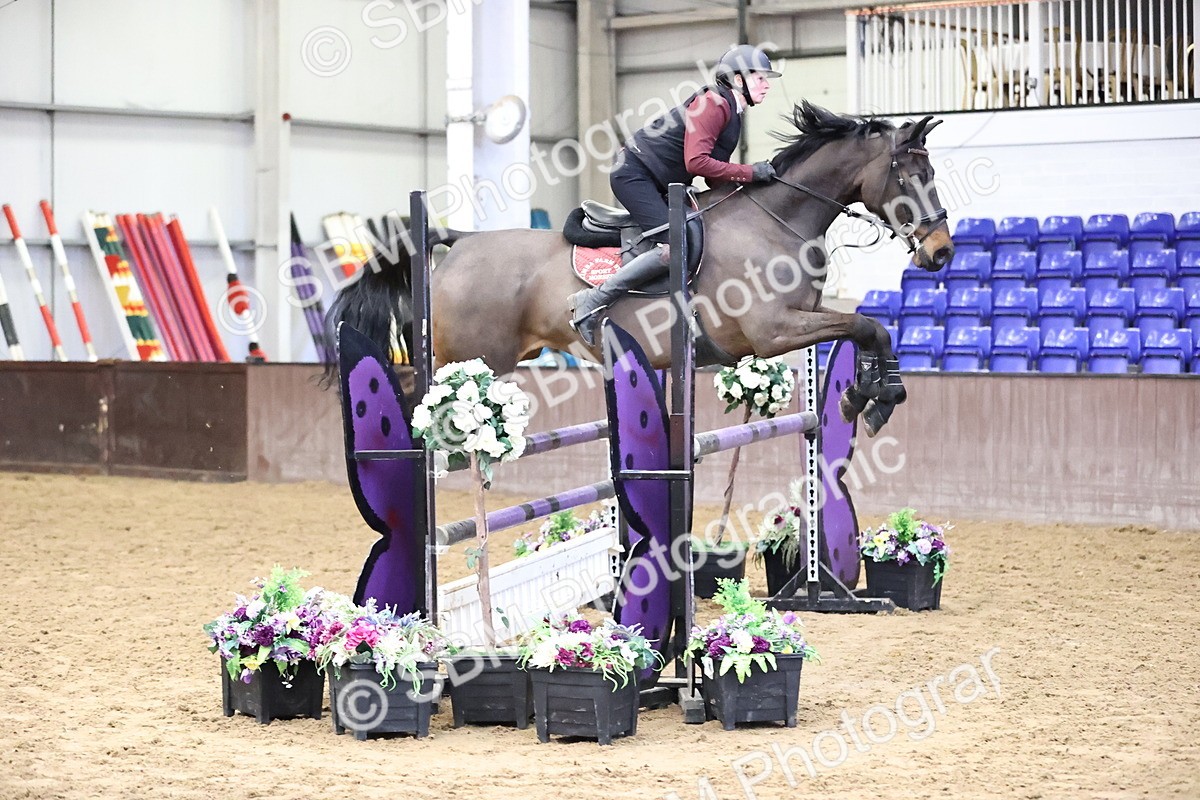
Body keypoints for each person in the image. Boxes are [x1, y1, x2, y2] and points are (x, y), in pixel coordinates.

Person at [569, 44, 781, 347]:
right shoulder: (713, 104)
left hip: (658, 179)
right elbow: (696, 162)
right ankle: (591, 301)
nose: (767, 84)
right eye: (760, 78)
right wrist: (750, 172)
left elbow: (710, 174)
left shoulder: (731, 111)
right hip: (634, 174)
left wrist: (755, 187)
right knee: (673, 247)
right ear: (738, 80)